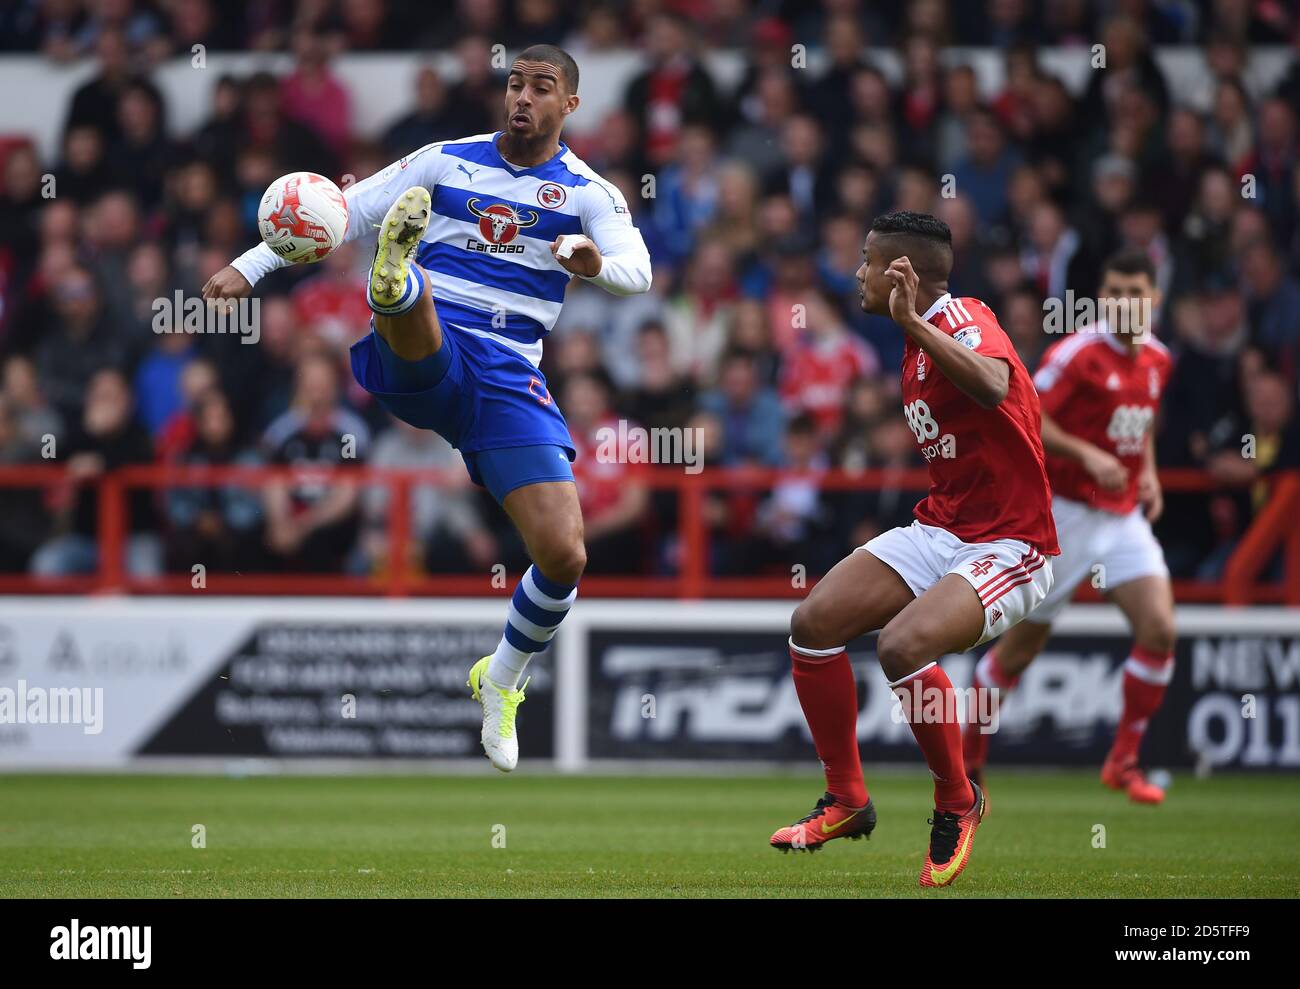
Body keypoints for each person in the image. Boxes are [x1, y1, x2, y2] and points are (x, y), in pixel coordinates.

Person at [200, 45, 652, 773]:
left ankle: (500, 680)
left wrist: (592, 262)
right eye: (515, 84)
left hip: (509, 376)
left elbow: (640, 271)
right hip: (432, 349)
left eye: (542, 87)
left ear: (569, 105)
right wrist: (248, 265)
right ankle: (396, 284)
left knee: (565, 552)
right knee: (416, 302)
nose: (523, 98)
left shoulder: (588, 194)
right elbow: (340, 213)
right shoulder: (443, 160)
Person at [771, 211, 1058, 888]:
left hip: (1012, 542)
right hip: (943, 529)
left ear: (903, 271)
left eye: (868, 260)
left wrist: (916, 324)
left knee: (901, 646)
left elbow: (993, 385)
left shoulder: (960, 319)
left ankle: (959, 799)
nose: (857, 273)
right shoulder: (915, 336)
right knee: (813, 625)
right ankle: (847, 800)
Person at [962, 249, 1175, 804]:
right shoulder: (1075, 355)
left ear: (1154, 298)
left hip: (1121, 513)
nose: (1124, 302)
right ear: (1101, 297)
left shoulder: (1158, 359)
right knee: (1018, 652)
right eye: (1114, 291)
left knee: (1159, 631)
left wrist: (1146, 471)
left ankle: (1123, 761)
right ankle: (968, 759)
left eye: (1135, 292)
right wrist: (1087, 455)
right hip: (1065, 514)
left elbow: (1142, 422)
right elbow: (1028, 413)